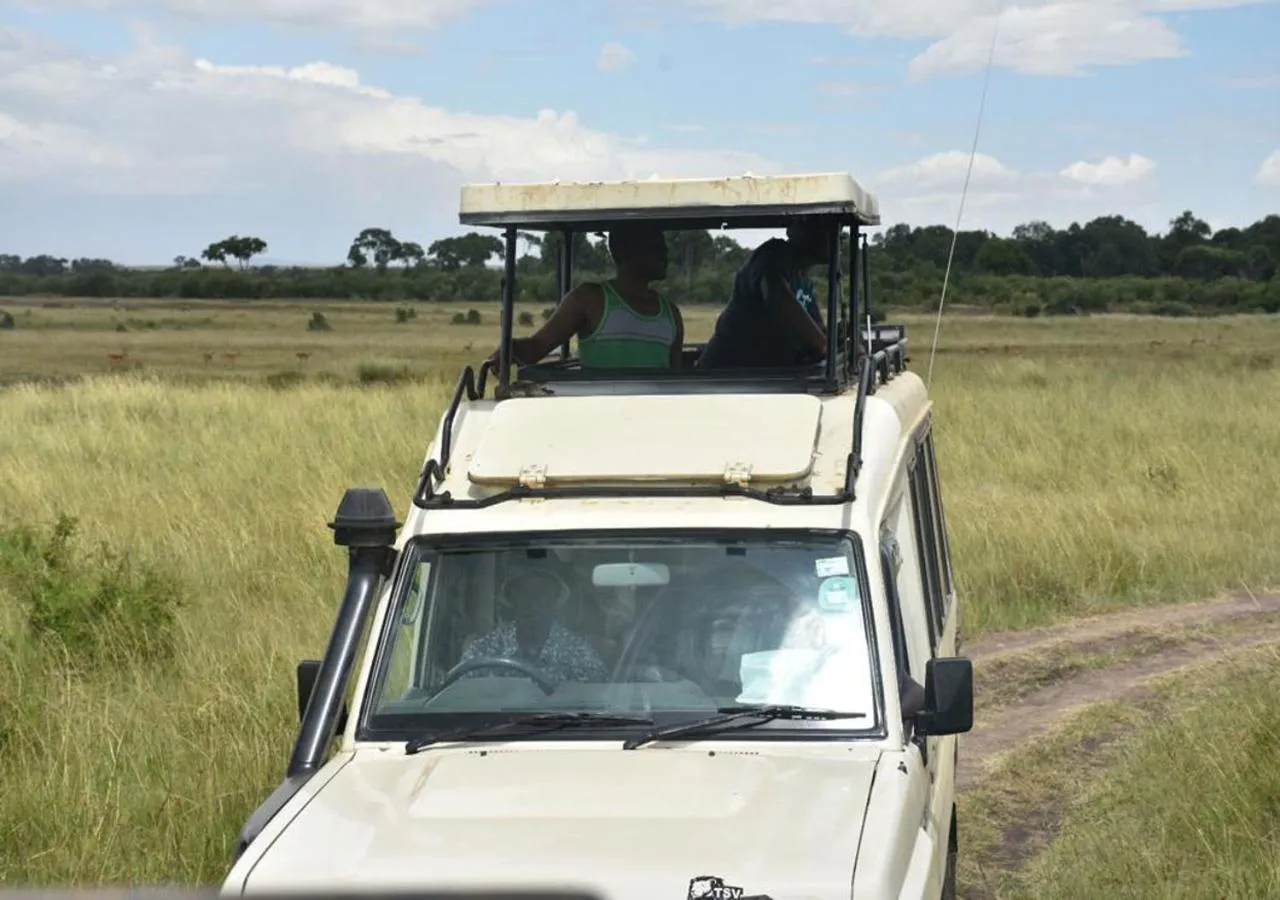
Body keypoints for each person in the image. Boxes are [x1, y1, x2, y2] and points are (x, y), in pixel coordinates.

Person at [488, 225, 684, 369]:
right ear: (625, 251)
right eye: (656, 247)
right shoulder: (590, 300)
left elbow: (676, 378)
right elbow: (538, 346)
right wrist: (509, 350)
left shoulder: (670, 314)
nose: (665, 254)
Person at [695, 217, 832, 370]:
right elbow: (776, 295)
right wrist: (823, 346)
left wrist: (839, 337)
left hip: (758, 380)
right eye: (823, 226)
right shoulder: (775, 254)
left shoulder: (803, 280)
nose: (834, 237)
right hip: (724, 378)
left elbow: (818, 330)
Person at [459, 567, 608, 684]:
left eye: (541, 595)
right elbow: (460, 696)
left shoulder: (578, 653)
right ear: (513, 600)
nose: (532, 604)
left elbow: (596, 704)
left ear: (555, 600)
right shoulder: (486, 650)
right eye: (524, 594)